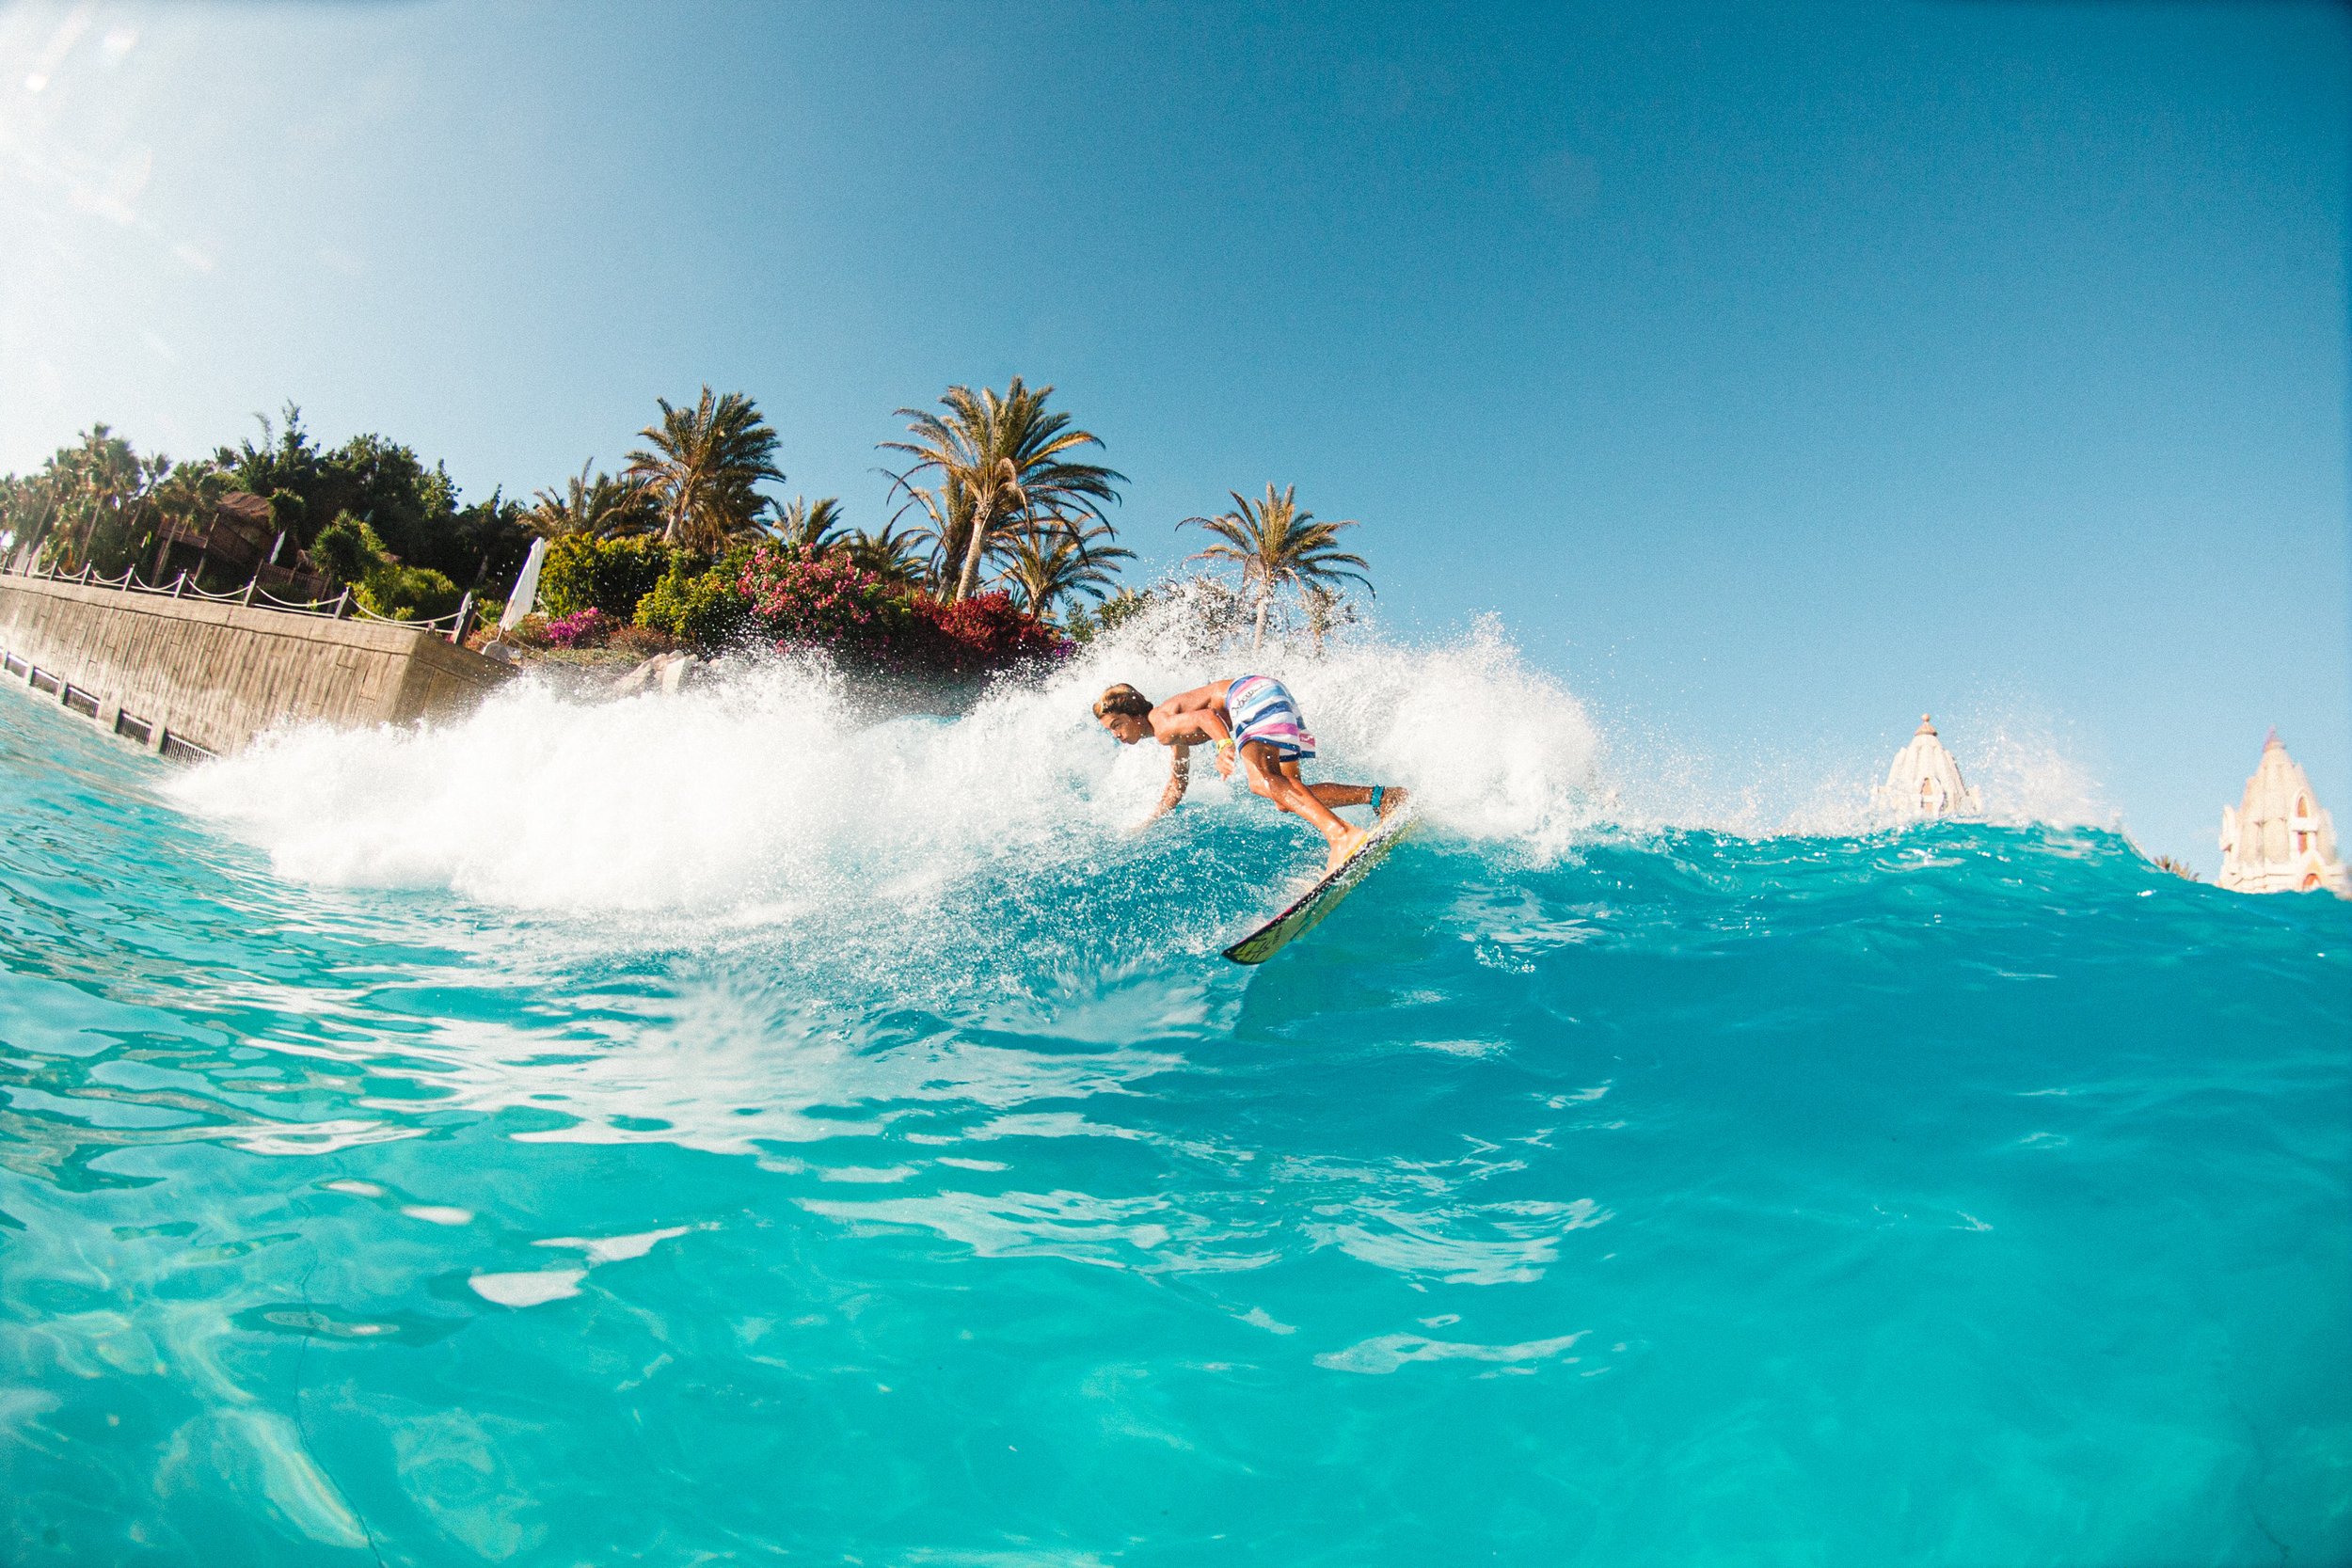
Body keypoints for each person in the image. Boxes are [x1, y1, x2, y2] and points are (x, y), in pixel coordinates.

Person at [1092, 676, 1405, 878]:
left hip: (1248, 697)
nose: (1117, 734)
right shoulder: (1169, 725)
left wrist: (1224, 746)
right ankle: (1382, 796)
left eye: (1117, 724)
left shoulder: (1162, 725)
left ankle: (1342, 835)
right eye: (1111, 730)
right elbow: (1177, 784)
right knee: (1287, 795)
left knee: (1260, 780)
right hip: (1268, 691)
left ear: (1134, 715)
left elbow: (1206, 716)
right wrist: (1149, 822)